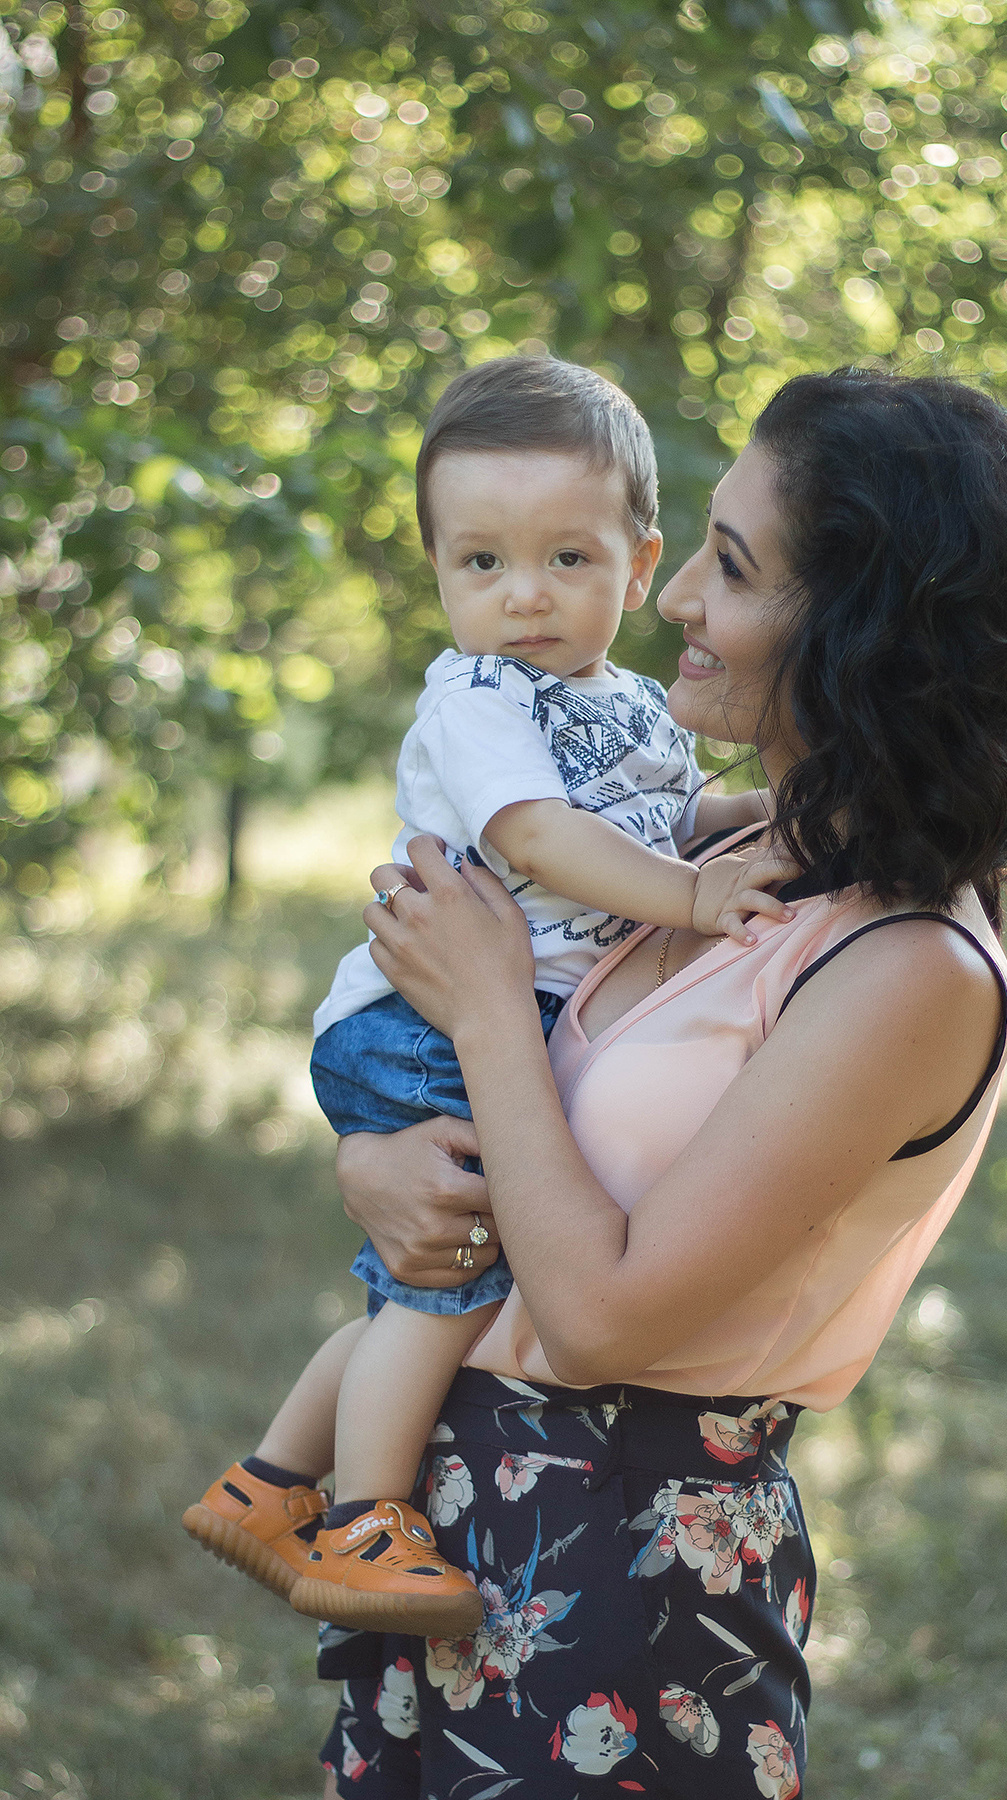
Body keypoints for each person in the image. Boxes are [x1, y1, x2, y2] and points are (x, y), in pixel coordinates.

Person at [311, 367, 1007, 1799]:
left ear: (855, 626)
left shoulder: (911, 970)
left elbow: (601, 1315)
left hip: (626, 1581)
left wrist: (483, 1009)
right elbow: (543, 1128)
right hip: (448, 1529)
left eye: (727, 568)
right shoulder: (722, 862)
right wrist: (377, 1165)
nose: (672, 600)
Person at [181, 357, 793, 1637]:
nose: (523, 597)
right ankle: (365, 1518)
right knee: (448, 1285)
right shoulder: (476, 697)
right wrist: (688, 899)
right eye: (482, 565)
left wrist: (748, 820)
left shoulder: (624, 701)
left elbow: (660, 818)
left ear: (640, 564)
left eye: (568, 560)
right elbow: (543, 835)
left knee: (472, 1284)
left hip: (490, 1017)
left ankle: (265, 1484)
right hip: (418, 1021)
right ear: (442, 574)